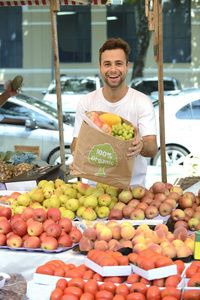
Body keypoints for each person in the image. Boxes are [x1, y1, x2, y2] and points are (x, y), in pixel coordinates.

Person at [70, 38, 158, 188]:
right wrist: (79, 156)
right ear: (99, 67)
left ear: (127, 66)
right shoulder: (86, 102)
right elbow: (75, 145)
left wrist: (141, 145)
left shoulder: (141, 102)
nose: (113, 69)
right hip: (96, 189)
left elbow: (152, 148)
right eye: (107, 64)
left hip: (132, 190)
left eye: (118, 63)